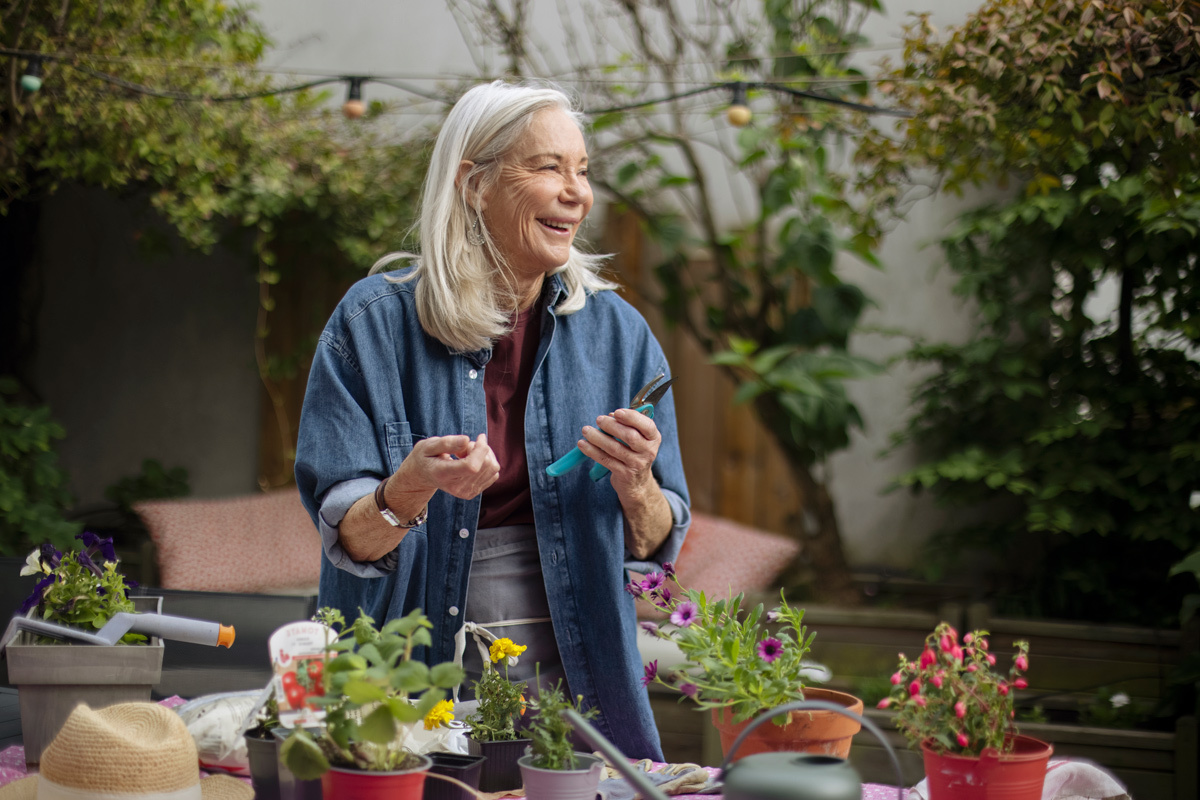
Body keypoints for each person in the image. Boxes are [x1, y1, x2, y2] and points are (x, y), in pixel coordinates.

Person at [294, 80, 690, 760]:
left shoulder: (621, 338)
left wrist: (638, 486)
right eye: (548, 167)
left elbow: (656, 549)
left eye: (583, 171)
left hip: (576, 675)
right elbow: (350, 540)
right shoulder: (371, 326)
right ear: (474, 183)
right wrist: (406, 491)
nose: (578, 192)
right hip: (402, 673)